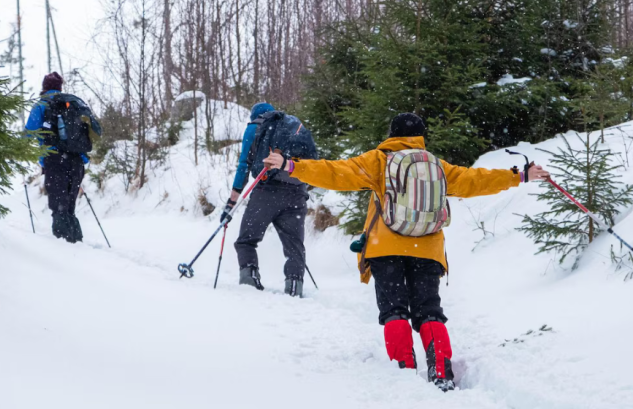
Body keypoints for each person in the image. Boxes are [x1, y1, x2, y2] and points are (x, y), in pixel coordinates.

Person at [263, 112, 550, 391]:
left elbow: (336, 172)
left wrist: (291, 166)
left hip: (385, 247)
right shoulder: (436, 165)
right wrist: (520, 175)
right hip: (427, 248)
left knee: (394, 310)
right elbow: (475, 180)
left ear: (392, 135)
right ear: (421, 136)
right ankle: (441, 372)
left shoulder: (378, 160)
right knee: (429, 311)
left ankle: (404, 370)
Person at [222, 102, 311, 297]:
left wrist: (231, 202)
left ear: (256, 116)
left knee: (246, 240)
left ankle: (250, 284)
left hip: (266, 192)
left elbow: (244, 166)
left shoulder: (255, 128)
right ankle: (295, 287)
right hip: (297, 192)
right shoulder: (294, 126)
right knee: (294, 246)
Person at [26, 72, 101, 243]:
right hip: (76, 160)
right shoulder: (73, 104)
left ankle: (64, 248)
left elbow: (28, 133)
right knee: (69, 206)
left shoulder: (42, 105)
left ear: (44, 87)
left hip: (55, 160)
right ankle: (76, 242)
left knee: (58, 206)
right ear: (60, 87)